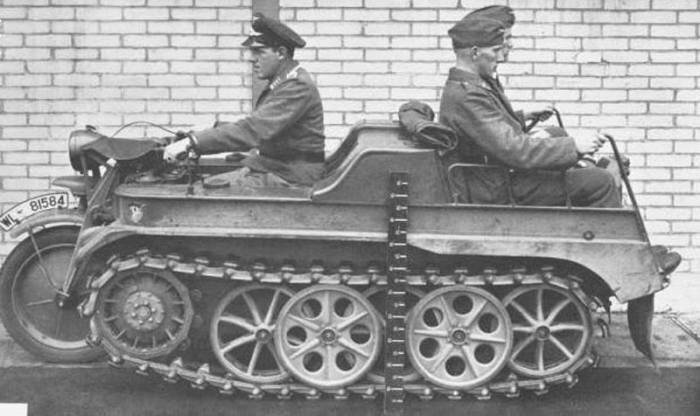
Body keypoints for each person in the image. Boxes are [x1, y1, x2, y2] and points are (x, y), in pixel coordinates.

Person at [439, 7, 620, 207]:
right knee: (599, 182)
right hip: (494, 187)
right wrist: (574, 146)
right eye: (496, 50)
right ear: (475, 52)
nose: (501, 57)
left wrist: (522, 116)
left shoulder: (473, 84)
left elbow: (486, 127)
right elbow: (514, 149)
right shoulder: (467, 95)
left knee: (556, 134)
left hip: (495, 175)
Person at [163, 13, 325, 187]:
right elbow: (261, 125)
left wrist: (194, 142)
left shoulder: (296, 86)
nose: (251, 58)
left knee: (201, 191)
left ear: (281, 53)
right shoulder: (285, 81)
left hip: (290, 176)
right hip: (277, 168)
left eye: (259, 51)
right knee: (204, 183)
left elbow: (253, 130)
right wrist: (207, 130)